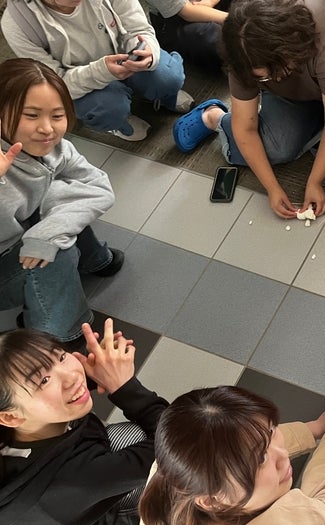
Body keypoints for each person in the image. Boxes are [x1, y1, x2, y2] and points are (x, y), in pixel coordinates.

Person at [173, 0, 325, 219]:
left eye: (277, 71)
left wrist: (314, 181)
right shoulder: (240, 49)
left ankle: (307, 133)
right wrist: (272, 188)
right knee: (277, 150)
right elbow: (246, 129)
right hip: (293, 97)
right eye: (264, 78)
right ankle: (215, 117)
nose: (276, 79)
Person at [0, 318, 169, 525]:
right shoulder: (73, 479)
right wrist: (125, 387)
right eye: (43, 381)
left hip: (81, 496)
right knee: (191, 472)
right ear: (10, 417)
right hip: (103, 520)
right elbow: (181, 439)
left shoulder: (23, 425)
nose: (72, 375)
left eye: (61, 356)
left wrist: (101, 369)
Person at [0, 58, 124, 346]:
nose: (47, 129)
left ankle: (93, 259)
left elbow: (99, 188)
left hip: (20, 231)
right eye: (31, 115)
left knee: (61, 199)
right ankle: (57, 336)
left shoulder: (56, 149)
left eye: (57, 115)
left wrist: (47, 233)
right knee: (57, 250)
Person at [138, 384, 325, 525]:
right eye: (261, 459)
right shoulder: (295, 523)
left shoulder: (171, 472)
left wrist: (314, 428)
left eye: (271, 430)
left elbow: (244, 445)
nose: (282, 455)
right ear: (211, 500)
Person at [1, 0, 194, 142]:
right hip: (81, 80)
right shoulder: (19, 24)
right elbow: (53, 84)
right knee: (108, 109)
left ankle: (164, 96)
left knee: (168, 78)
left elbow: (139, 27)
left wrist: (147, 51)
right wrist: (101, 71)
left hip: (124, 55)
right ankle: (118, 122)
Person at [147, 0, 230, 73]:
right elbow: (187, 12)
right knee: (218, 40)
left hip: (198, 5)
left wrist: (210, 2)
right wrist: (233, 20)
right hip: (174, 17)